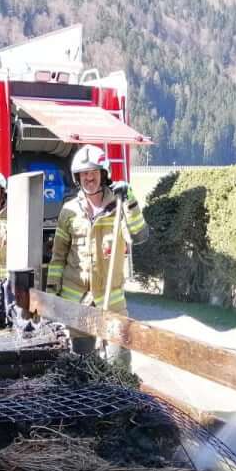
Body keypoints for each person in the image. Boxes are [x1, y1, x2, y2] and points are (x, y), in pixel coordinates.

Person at [46, 145, 147, 365]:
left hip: (112, 302)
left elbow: (140, 235)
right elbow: (58, 258)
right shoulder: (69, 211)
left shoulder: (119, 206)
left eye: (93, 172)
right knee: (81, 364)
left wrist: (130, 200)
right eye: (83, 173)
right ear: (77, 177)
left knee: (118, 362)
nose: (88, 178)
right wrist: (52, 295)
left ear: (103, 174)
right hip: (77, 303)